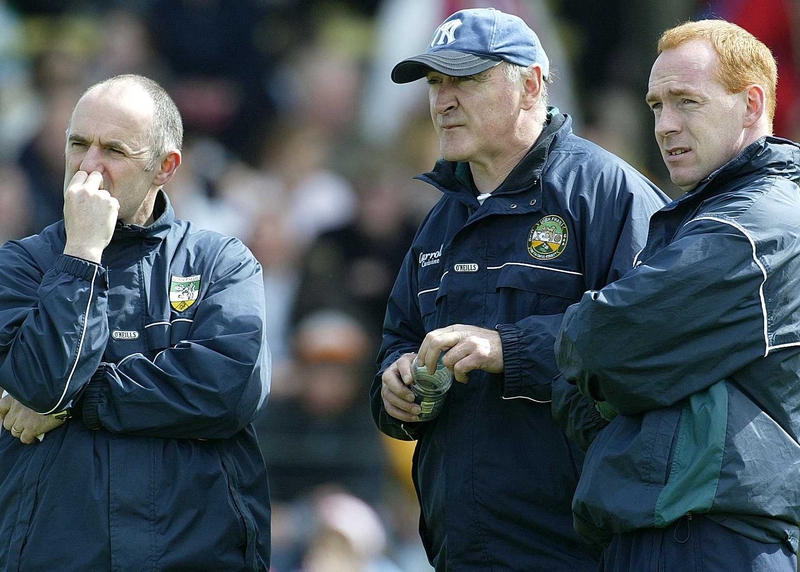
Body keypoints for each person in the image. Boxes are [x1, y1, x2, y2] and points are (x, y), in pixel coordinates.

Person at [370, 8, 669, 571]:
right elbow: (397, 339)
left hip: (582, 548)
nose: (443, 100)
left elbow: (649, 343)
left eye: (468, 79)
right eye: (436, 82)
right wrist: (397, 387)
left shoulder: (606, 193)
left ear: (531, 84)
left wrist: (510, 349)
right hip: (463, 547)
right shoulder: (441, 219)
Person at [555, 20, 800, 572]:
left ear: (751, 104)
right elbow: (593, 370)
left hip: (717, 539)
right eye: (656, 105)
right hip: (672, 535)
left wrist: (602, 375)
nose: (666, 125)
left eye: (686, 102)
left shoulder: (754, 227)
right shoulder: (709, 217)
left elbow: (597, 341)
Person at [0, 74, 272, 571]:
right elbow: (46, 386)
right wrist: (82, 254)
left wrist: (84, 398)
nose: (88, 167)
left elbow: (229, 391)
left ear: (165, 167)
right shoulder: (21, 265)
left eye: (114, 151)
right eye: (78, 144)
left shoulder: (220, 262)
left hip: (195, 557)